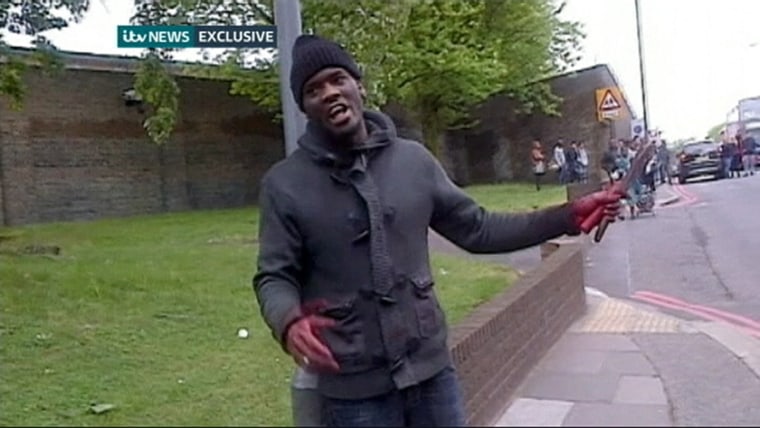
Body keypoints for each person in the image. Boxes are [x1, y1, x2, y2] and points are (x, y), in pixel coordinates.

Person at [252, 34, 625, 428]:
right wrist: (288, 320)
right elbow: (273, 275)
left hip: (432, 377)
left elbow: (479, 230)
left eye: (337, 79)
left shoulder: (413, 161)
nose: (328, 92)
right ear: (305, 107)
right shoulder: (285, 185)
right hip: (353, 392)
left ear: (358, 85)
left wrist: (566, 216)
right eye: (313, 90)